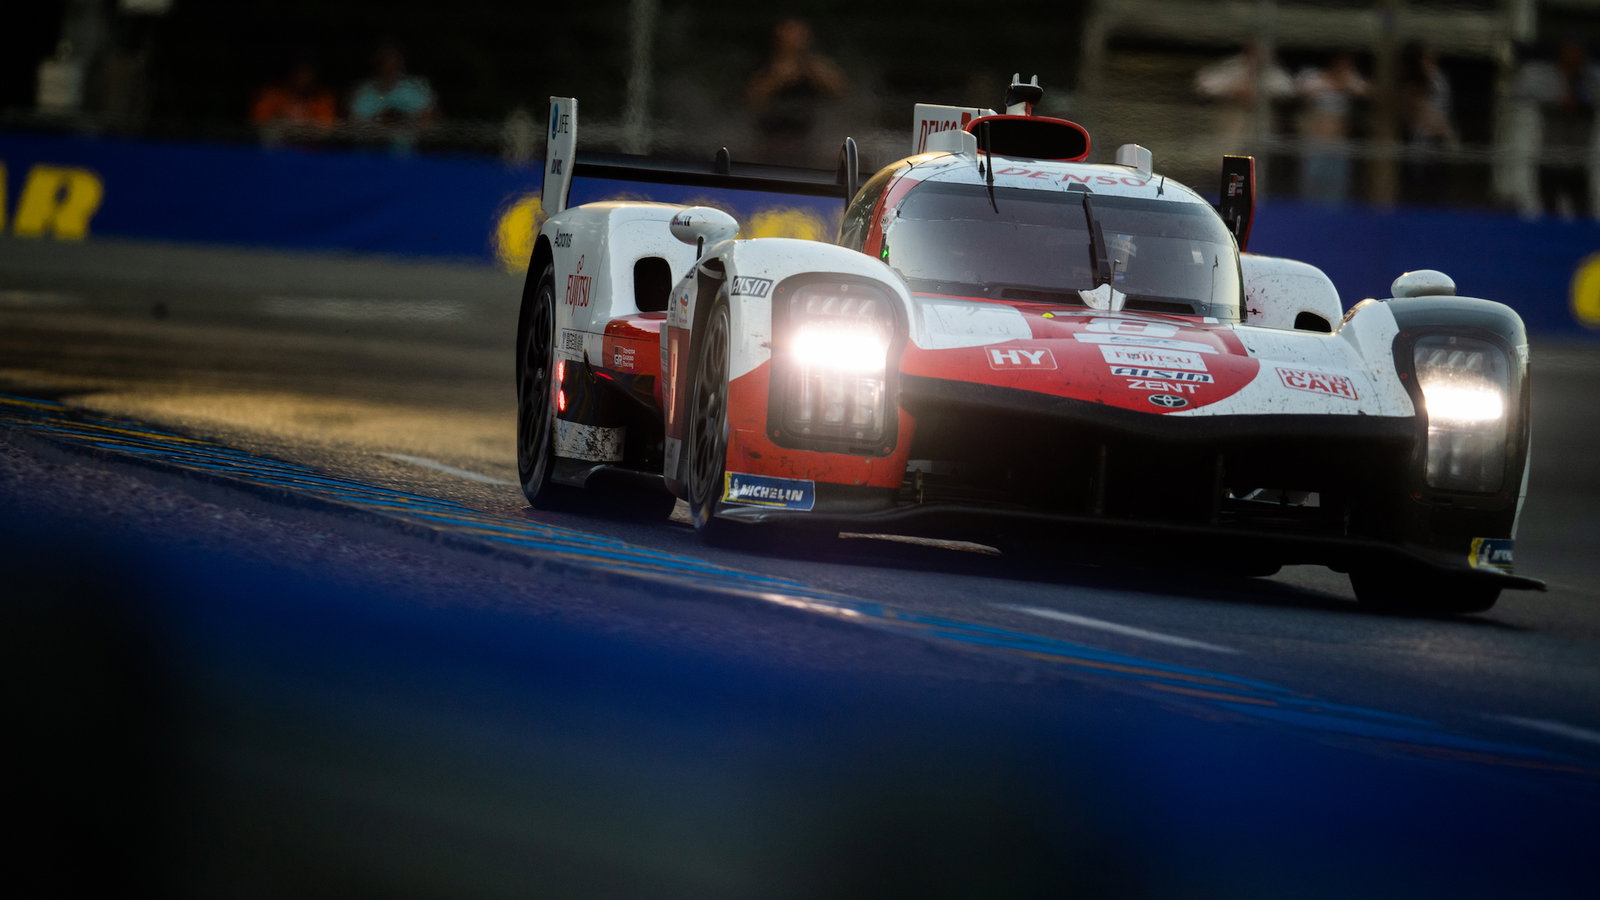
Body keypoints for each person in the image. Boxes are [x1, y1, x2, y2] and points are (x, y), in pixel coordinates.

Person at [1515, 36, 1600, 219]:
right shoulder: (1546, 77)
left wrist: (1581, 98)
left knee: (1581, 210)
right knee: (1548, 209)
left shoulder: (1592, 78)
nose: (1573, 57)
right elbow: (1521, 93)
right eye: (1569, 52)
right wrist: (1558, 99)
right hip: (1550, 157)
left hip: (1578, 160)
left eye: (1577, 53)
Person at [745, 18, 847, 167]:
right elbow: (750, 101)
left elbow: (841, 94)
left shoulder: (816, 67)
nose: (797, 37)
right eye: (791, 30)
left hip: (809, 141)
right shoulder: (763, 66)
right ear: (777, 34)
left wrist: (819, 73)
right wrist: (778, 78)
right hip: (767, 141)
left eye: (801, 31)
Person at [1194, 43, 1293, 156]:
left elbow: (1287, 89)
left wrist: (1257, 93)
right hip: (1232, 119)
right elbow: (1204, 84)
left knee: (1259, 157)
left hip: (1261, 120)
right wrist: (1233, 90)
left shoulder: (1273, 69)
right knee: (1228, 157)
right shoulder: (1232, 66)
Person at [1294, 53, 1367, 206]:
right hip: (1316, 141)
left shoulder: (1352, 79)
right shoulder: (1314, 76)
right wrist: (1336, 84)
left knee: (1337, 186)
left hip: (1339, 142)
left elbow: (1366, 92)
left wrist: (1344, 83)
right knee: (1312, 183)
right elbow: (1301, 90)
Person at [349, 41, 436, 153]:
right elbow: (351, 128)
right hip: (367, 157)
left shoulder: (415, 91)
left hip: (404, 158)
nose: (389, 68)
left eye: (394, 64)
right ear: (376, 65)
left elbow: (430, 125)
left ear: (402, 65)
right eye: (384, 63)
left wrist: (405, 120)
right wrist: (381, 122)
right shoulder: (361, 93)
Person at [1398, 41, 1455, 206]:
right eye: (1425, 57)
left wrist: (1447, 131)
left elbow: (1443, 110)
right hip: (1421, 138)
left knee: (1436, 185)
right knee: (1419, 185)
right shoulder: (1413, 80)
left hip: (1437, 138)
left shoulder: (1439, 78)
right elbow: (1414, 109)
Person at [250, 55, 337, 146]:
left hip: (311, 151)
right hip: (277, 149)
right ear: (291, 72)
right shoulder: (272, 94)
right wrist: (284, 121)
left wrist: (304, 125)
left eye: (308, 72)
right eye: (299, 71)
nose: (304, 77)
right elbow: (258, 123)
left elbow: (326, 129)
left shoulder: (322, 97)